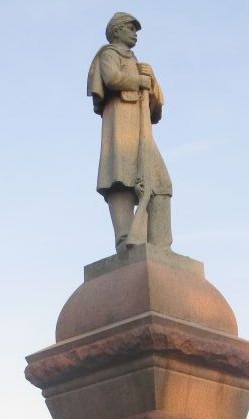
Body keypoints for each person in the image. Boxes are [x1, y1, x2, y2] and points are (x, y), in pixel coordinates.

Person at [87, 12, 172, 250]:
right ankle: (126, 240)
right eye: (130, 27)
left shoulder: (140, 65)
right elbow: (112, 78)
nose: (135, 33)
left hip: (142, 134)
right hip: (120, 129)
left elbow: (157, 110)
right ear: (117, 31)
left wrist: (151, 82)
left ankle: (160, 246)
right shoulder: (108, 54)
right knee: (120, 179)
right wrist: (137, 80)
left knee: (161, 184)